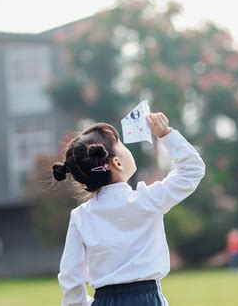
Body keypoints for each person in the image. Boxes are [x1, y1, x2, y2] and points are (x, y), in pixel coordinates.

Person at [52, 112, 206, 306]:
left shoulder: (80, 216)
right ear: (116, 162)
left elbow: (70, 276)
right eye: (122, 145)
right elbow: (192, 170)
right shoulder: (147, 199)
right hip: (148, 300)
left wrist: (83, 304)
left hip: (103, 301)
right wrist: (166, 133)